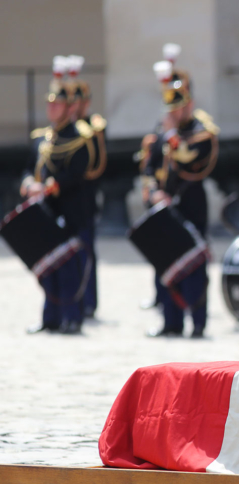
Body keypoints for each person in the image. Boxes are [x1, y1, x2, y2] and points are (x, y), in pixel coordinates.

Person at [141, 45, 219, 338]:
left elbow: (193, 163)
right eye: (171, 106)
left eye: (180, 105)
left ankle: (197, 322)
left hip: (190, 205)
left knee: (193, 266)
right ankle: (170, 321)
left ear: (190, 102)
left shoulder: (201, 131)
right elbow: (149, 167)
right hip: (164, 208)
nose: (175, 111)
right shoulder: (161, 132)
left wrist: (173, 137)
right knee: (165, 263)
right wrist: (152, 192)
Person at [20, 55, 92, 335]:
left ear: (69, 107)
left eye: (57, 104)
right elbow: (28, 168)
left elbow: (75, 175)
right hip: (45, 213)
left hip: (70, 212)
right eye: (50, 104)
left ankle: (72, 318)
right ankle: (50, 317)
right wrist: (28, 184)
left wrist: (46, 186)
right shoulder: (42, 138)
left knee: (69, 269)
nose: (52, 109)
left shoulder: (79, 138)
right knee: (47, 268)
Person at [69, 55, 107, 320]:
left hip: (85, 197)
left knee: (87, 251)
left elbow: (95, 164)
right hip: (65, 200)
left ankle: (89, 302)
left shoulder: (91, 127)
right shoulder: (64, 130)